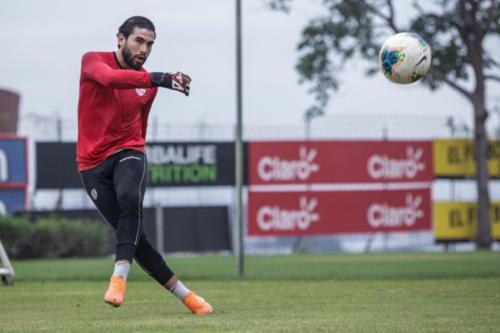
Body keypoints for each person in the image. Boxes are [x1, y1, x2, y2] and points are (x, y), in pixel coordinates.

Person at [77, 16, 213, 315]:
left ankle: (119, 276)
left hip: (129, 149)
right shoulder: (92, 61)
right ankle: (188, 296)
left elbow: (141, 125)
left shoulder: (148, 84)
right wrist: (161, 78)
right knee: (135, 238)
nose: (145, 49)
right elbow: (112, 78)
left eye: (150, 44)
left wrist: (138, 155)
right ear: (120, 38)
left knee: (130, 200)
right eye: (139, 40)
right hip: (91, 164)